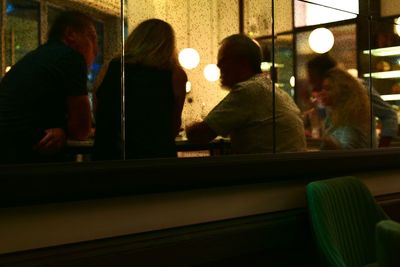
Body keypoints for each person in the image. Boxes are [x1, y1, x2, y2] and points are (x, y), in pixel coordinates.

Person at [0, 10, 97, 164]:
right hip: (29, 158)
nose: (96, 49)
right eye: (91, 37)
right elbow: (81, 130)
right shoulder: (71, 58)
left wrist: (64, 131)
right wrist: (68, 131)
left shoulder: (35, 57)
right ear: (71, 34)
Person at [186, 34, 306, 154]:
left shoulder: (248, 90)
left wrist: (188, 123)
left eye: (223, 60)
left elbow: (198, 135)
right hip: (291, 169)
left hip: (270, 170)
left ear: (242, 63)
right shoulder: (276, 92)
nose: (218, 65)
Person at [92, 19, 187, 160]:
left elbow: (99, 112)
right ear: (168, 44)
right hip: (156, 157)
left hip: (110, 155)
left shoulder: (110, 67)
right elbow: (173, 126)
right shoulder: (176, 74)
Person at [307, 53, 398, 147]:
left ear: (328, 75)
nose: (310, 81)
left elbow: (389, 115)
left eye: (312, 76)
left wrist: (381, 150)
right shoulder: (328, 97)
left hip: (363, 157)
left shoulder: (357, 89)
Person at [318, 68, 371, 149]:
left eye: (328, 89)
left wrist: (328, 142)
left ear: (341, 91)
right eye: (323, 88)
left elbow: (349, 152)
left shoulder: (352, 117)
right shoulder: (333, 115)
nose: (322, 93)